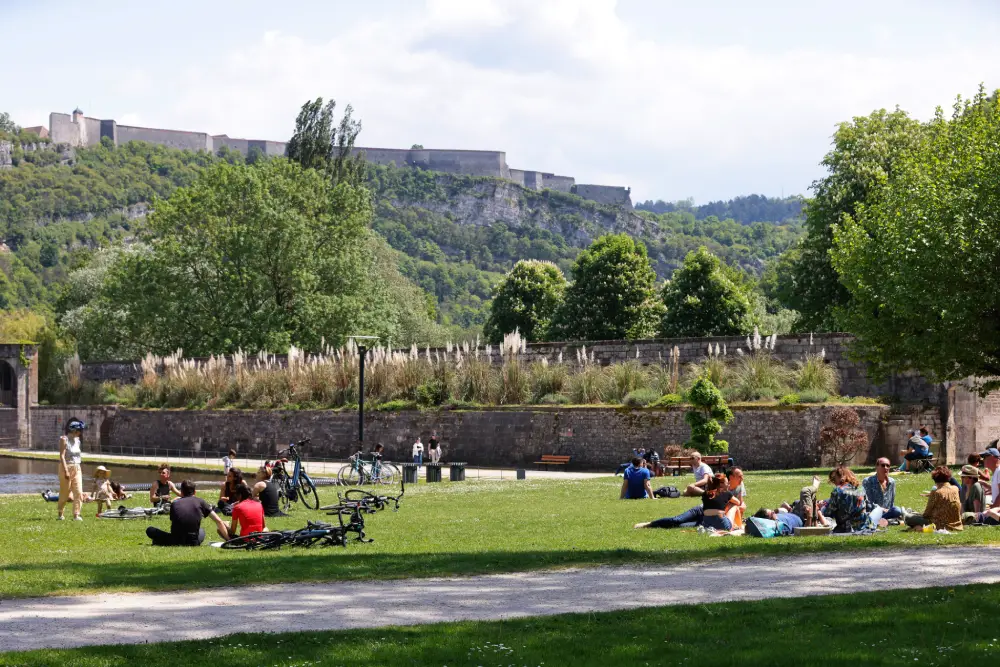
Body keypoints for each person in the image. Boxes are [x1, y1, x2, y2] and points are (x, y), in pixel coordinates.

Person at [635, 473, 735, 531]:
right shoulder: (714, 492)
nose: (729, 484)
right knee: (676, 520)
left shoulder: (728, 494)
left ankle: (657, 525)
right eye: (727, 483)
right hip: (699, 510)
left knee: (679, 526)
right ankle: (649, 524)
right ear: (721, 484)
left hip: (705, 520)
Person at [146, 480, 228, 547]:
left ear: (181, 492)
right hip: (193, 541)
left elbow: (174, 522)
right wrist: (228, 539)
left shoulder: (175, 503)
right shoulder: (200, 501)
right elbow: (218, 521)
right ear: (194, 492)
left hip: (175, 540)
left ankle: (160, 541)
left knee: (150, 530)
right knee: (201, 531)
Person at [823, 465, 884, 533]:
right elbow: (868, 506)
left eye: (834, 479)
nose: (834, 482)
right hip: (862, 525)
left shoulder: (837, 490)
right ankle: (876, 523)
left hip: (845, 527)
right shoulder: (860, 488)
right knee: (878, 509)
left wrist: (823, 508)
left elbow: (829, 513)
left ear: (841, 476)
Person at [904, 466, 963, 532]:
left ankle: (917, 526)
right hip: (957, 525)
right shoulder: (955, 489)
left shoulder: (936, 492)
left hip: (939, 525)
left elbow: (926, 514)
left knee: (908, 518)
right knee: (916, 515)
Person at [757, 476, 829, 529]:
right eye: (772, 513)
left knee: (811, 497)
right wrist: (809, 516)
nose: (773, 512)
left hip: (794, 511)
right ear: (769, 520)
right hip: (803, 516)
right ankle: (815, 487)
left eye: (772, 511)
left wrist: (786, 509)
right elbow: (806, 530)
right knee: (805, 492)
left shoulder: (776, 517)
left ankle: (815, 517)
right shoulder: (781, 525)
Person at [57, 418, 86, 521]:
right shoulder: (64, 439)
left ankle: (76, 515)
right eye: (79, 431)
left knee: (78, 492)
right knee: (65, 493)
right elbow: (62, 456)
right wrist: (65, 470)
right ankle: (60, 513)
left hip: (77, 467)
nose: (81, 433)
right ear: (74, 430)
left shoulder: (78, 441)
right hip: (67, 466)